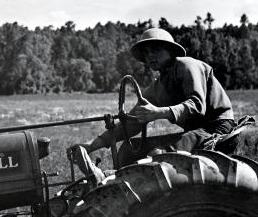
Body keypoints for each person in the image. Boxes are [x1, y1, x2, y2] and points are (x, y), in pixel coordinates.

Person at [68, 27, 236, 169]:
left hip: (217, 129)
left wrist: (158, 112)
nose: (150, 56)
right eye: (146, 53)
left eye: (155, 49)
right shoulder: (157, 87)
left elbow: (197, 105)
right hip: (194, 133)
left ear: (170, 50)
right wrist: (91, 146)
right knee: (127, 150)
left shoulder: (187, 65)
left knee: (159, 155)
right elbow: (131, 123)